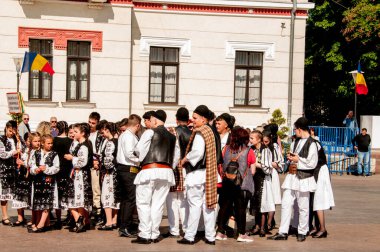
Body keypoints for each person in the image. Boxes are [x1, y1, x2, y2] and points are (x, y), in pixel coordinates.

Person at [132, 110, 180, 244]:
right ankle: (153, 233)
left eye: (150, 119)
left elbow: (140, 151)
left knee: (143, 203)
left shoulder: (149, 132)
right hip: (166, 172)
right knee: (158, 204)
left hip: (149, 170)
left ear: (155, 120)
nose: (148, 122)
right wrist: (169, 167)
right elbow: (176, 157)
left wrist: (137, 160)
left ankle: (145, 234)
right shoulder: (172, 137)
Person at [268, 117, 318, 242]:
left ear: (300, 129)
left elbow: (312, 163)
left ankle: (302, 231)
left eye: (295, 129)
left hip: (304, 178)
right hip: (292, 176)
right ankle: (283, 231)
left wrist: (298, 160)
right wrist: (290, 159)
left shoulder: (313, 143)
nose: (294, 131)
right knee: (286, 204)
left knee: (303, 205)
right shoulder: (295, 142)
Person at [177, 105, 218, 246]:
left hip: (198, 174)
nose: (192, 121)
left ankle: (189, 236)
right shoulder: (211, 131)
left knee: (194, 205)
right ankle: (210, 236)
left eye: (195, 118)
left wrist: (185, 159)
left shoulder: (201, 132)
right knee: (209, 206)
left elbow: (198, 152)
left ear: (204, 119)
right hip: (209, 173)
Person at [216, 127, 255, 242]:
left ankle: (220, 232)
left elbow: (221, 166)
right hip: (242, 185)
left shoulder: (226, 149)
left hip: (227, 183)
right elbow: (252, 171)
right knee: (241, 209)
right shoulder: (249, 151)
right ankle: (241, 234)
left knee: (224, 208)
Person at [163, 107, 191, 238]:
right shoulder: (192, 133)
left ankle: (174, 229)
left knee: (172, 199)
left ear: (176, 119)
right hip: (188, 168)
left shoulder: (172, 131)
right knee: (184, 201)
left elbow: (172, 151)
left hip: (175, 167)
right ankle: (185, 228)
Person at [64, 123, 93, 233]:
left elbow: (82, 162)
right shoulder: (79, 144)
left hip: (80, 175)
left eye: (76, 132)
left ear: (83, 133)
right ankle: (82, 221)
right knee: (76, 198)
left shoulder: (85, 146)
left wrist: (72, 158)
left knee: (78, 198)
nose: (73, 134)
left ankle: (80, 220)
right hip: (76, 174)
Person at [116, 114, 141, 237]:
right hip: (129, 169)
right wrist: (140, 160)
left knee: (127, 199)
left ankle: (126, 225)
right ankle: (124, 226)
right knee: (130, 199)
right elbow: (129, 153)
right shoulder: (129, 136)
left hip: (125, 169)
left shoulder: (125, 135)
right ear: (137, 125)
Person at [29, 134, 60, 233]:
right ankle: (43, 223)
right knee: (39, 203)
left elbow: (56, 168)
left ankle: (41, 225)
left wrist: (46, 169)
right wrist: (36, 170)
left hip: (48, 181)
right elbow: (32, 165)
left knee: (47, 203)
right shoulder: (36, 153)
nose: (50, 145)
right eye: (48, 143)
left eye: (51, 143)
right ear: (42, 143)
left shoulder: (54, 154)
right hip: (38, 181)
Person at [248, 130, 274, 237]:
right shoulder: (252, 149)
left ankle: (263, 226)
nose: (250, 140)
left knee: (263, 203)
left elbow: (268, 168)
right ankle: (257, 225)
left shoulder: (265, 150)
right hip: (254, 178)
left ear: (259, 139)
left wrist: (255, 164)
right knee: (255, 202)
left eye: (252, 138)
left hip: (263, 178)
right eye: (250, 138)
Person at [98, 122, 119, 230]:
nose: (102, 133)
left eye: (103, 131)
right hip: (117, 172)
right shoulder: (118, 140)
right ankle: (114, 220)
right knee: (115, 196)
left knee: (107, 195)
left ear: (107, 130)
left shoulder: (110, 143)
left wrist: (104, 167)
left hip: (109, 172)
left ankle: (109, 222)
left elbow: (108, 159)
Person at [53, 121, 73, 229]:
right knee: (68, 193)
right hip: (68, 169)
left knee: (58, 194)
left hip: (58, 170)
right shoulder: (71, 141)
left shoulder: (55, 140)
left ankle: (59, 219)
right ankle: (71, 217)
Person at [0, 120, 19, 226]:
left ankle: (19, 216)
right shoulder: (1, 139)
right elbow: (2, 154)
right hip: (4, 170)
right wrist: (13, 152)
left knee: (16, 193)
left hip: (14, 170)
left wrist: (18, 139)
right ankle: (5, 216)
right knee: (4, 194)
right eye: (9, 130)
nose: (11, 133)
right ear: (6, 128)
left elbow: (23, 149)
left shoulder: (17, 140)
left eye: (13, 131)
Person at [88, 112, 104, 224]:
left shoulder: (99, 135)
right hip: (87, 163)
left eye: (93, 123)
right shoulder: (87, 133)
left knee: (96, 189)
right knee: (89, 189)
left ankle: (98, 213)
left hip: (96, 164)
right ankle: (91, 210)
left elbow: (100, 151)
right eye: (89, 122)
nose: (90, 124)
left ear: (97, 122)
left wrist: (96, 160)